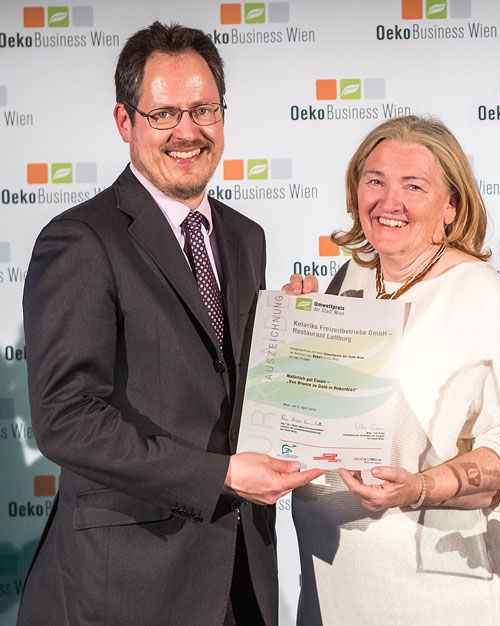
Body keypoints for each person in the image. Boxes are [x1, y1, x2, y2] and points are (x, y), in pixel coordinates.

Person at [18, 22, 322, 626]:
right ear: (125, 121)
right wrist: (222, 474)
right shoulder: (80, 240)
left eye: (204, 109)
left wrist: (286, 334)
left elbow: (215, 376)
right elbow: (66, 420)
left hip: (242, 571)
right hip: (126, 582)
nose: (188, 131)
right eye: (164, 114)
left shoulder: (244, 236)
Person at [283, 115, 500, 626]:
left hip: (445, 591)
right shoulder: (350, 278)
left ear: (451, 205)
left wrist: (422, 486)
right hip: (336, 576)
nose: (390, 201)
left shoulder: (481, 295)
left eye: (414, 186)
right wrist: (295, 338)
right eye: (375, 180)